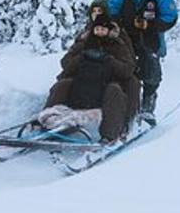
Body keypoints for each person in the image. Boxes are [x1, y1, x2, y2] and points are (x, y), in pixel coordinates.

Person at [39, 13, 136, 142]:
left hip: (106, 85)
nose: (100, 32)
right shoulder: (84, 43)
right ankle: (47, 121)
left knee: (115, 91)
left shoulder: (118, 45)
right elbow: (65, 63)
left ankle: (110, 135)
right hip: (81, 84)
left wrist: (110, 61)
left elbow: (128, 69)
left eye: (103, 29)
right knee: (62, 85)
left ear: (108, 30)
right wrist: (80, 58)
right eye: (97, 29)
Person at [109, 0, 178, 121]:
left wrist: (150, 25)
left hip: (150, 40)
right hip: (126, 39)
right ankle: (120, 103)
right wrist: (115, 22)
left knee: (151, 72)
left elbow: (171, 16)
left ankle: (148, 104)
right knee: (121, 69)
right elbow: (112, 7)